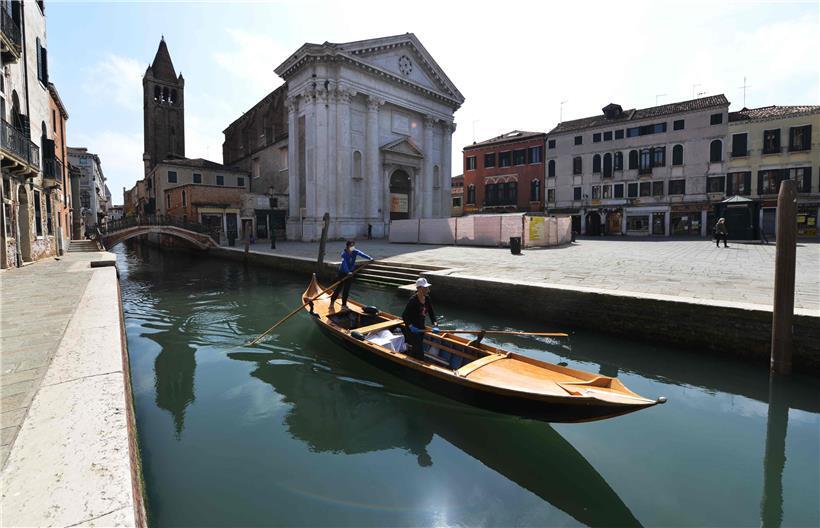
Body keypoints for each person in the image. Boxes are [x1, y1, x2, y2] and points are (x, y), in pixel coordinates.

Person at [402, 278, 439, 360]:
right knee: (419, 349)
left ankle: (411, 359)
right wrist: (411, 326)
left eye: (427, 288)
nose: (428, 290)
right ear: (419, 288)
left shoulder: (427, 298)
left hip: (421, 328)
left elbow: (432, 313)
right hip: (412, 329)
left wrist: (435, 325)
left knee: (416, 347)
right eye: (425, 288)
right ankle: (421, 364)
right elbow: (404, 316)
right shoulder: (413, 300)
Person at [329, 240, 373, 310]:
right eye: (351, 246)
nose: (352, 247)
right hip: (343, 273)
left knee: (346, 290)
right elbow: (344, 263)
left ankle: (344, 305)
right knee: (338, 288)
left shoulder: (355, 251)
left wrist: (369, 258)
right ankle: (332, 303)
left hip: (351, 273)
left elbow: (361, 254)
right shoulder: (344, 254)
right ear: (347, 246)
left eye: (353, 245)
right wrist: (347, 272)